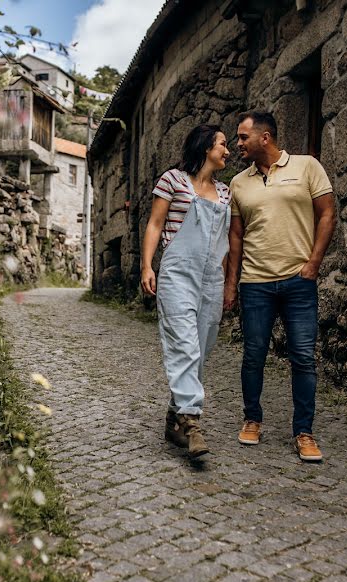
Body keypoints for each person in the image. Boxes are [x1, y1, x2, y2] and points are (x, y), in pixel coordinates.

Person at [224, 111, 336, 462]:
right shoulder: (239, 184)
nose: (237, 144)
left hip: (298, 282)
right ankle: (252, 419)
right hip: (255, 283)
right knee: (253, 355)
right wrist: (232, 284)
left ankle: (304, 432)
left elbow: (327, 214)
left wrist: (313, 264)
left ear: (265, 137)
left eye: (243, 137)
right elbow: (236, 235)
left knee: (303, 357)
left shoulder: (307, 167)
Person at [141, 124, 232, 458]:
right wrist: (147, 265)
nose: (227, 150)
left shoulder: (225, 193)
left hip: (211, 277)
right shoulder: (173, 180)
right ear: (206, 146)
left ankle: (173, 416)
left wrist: (226, 283)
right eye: (223, 144)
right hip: (178, 273)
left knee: (201, 348)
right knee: (184, 343)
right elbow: (155, 224)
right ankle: (191, 422)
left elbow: (224, 241)